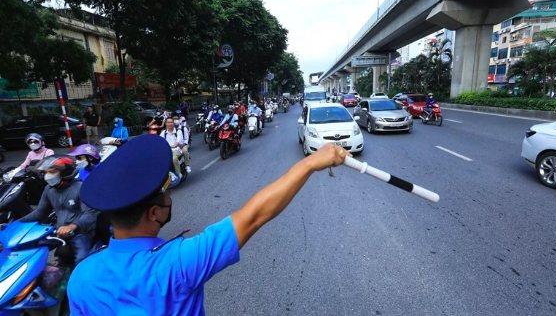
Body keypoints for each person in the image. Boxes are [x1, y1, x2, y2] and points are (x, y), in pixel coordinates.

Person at [67, 135, 348, 315]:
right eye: (166, 195)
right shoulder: (176, 263)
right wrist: (310, 163)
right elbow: (255, 215)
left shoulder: (81, 276)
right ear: (154, 213)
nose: (169, 199)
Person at [19, 156, 97, 265]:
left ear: (65, 173)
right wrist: (14, 224)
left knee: (81, 260)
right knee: (26, 247)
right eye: (46, 172)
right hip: (58, 231)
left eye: (52, 172)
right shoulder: (49, 190)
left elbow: (90, 214)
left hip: (81, 232)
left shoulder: (81, 188)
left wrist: (72, 226)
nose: (47, 176)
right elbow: (38, 213)